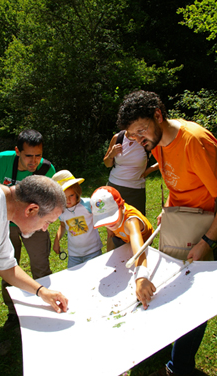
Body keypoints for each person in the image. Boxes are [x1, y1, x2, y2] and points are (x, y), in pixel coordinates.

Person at [116, 89, 217, 376]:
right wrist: (169, 207)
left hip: (206, 227)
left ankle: (178, 367)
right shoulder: (157, 142)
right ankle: (168, 354)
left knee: (196, 303)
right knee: (172, 288)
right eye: (132, 136)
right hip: (180, 223)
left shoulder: (195, 141)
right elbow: (177, 182)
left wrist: (207, 241)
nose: (138, 140)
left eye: (140, 131)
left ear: (158, 116)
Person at [0, 129, 56, 329]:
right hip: (5, 224)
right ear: (17, 151)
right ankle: (13, 313)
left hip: (34, 224)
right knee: (9, 266)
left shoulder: (47, 170)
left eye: (38, 155)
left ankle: (47, 305)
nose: (34, 162)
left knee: (40, 265)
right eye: (28, 156)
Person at [0, 175, 68, 322]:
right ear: (32, 210)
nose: (45, 229)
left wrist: (42, 291)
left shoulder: (2, 212)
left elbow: (7, 267)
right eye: (47, 221)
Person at [90, 186, 156, 310]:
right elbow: (111, 234)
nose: (110, 224)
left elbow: (138, 247)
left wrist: (142, 276)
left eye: (111, 216)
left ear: (121, 206)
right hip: (124, 240)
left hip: (144, 241)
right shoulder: (113, 224)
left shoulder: (130, 221)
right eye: (104, 220)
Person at [52, 170, 103, 268]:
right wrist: (56, 241)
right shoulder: (61, 211)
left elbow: (102, 215)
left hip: (93, 251)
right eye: (64, 197)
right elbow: (63, 226)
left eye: (71, 195)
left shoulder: (87, 204)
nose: (68, 200)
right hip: (74, 254)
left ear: (77, 192)